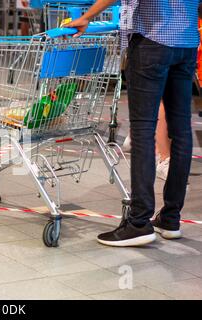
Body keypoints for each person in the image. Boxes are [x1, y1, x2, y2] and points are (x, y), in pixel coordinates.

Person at [65, 0, 200, 246]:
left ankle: (139, 222)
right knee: (181, 129)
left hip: (152, 41)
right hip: (187, 43)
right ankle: (171, 218)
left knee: (143, 129)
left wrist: (88, 16)